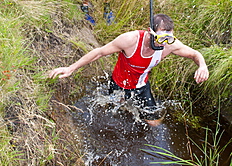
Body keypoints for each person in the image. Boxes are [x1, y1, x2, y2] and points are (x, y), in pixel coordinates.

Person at [48, 14, 209, 126]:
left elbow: (195, 54)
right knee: (110, 113)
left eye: (169, 38)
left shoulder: (169, 45)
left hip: (141, 86)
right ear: (149, 31)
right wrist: (71, 68)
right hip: (119, 82)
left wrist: (202, 65)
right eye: (161, 38)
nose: (164, 43)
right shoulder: (130, 40)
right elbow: (99, 52)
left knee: (153, 122)